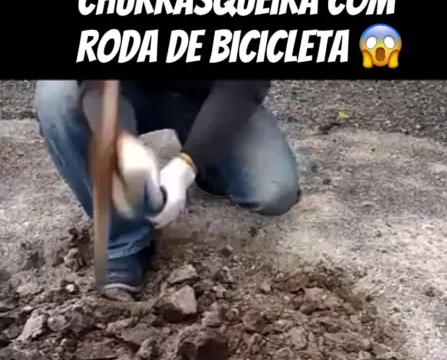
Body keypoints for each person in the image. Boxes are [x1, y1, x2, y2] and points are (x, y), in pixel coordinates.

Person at [34, 80, 300, 294]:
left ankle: (207, 157)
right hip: (125, 91)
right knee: (58, 96)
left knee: (273, 191)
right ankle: (124, 242)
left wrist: (189, 163)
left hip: (205, 95)